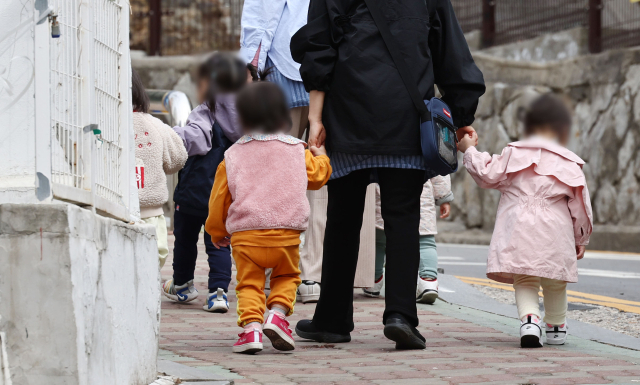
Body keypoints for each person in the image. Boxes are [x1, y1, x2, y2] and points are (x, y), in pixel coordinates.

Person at [291, 0, 485, 349]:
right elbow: (451, 54)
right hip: (407, 120)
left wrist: (315, 119)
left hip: (348, 116)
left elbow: (319, 50)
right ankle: (400, 316)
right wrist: (458, 113)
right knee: (404, 216)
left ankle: (332, 320)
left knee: (343, 218)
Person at [205, 82, 332, 354]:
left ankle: (251, 330)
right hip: (286, 234)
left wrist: (217, 231)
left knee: (248, 283)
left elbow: (219, 199)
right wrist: (321, 156)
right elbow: (318, 177)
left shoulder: (232, 155)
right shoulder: (296, 150)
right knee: (287, 276)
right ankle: (276, 314)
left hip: (246, 236)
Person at [458, 94, 593, 348]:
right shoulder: (570, 163)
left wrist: (470, 150)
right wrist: (581, 237)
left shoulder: (513, 153)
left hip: (518, 228)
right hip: (556, 231)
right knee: (555, 280)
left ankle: (529, 322)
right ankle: (555, 327)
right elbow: (581, 205)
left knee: (525, 278)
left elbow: (486, 174)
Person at [162, 53, 246, 314]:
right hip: (225, 194)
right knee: (219, 242)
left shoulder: (206, 110)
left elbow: (195, 140)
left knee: (185, 240)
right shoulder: (247, 115)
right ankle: (218, 293)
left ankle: (183, 286)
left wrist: (172, 133)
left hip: (194, 193)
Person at [364, 176, 453, 304]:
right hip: (420, 194)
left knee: (378, 241)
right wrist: (444, 198)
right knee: (425, 242)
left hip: (383, 191)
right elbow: (439, 165)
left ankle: (374, 280)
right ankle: (429, 282)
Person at [131, 68, 187, 269]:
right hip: (151, 213)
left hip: (112, 210)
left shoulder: (104, 126)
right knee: (153, 261)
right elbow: (177, 160)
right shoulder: (156, 125)